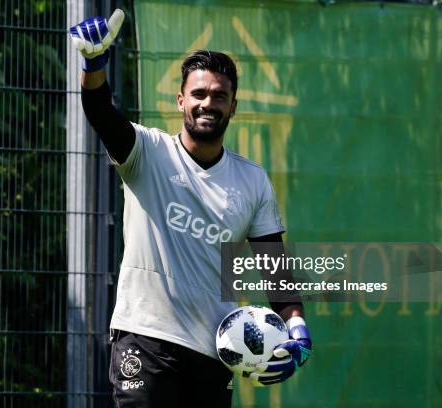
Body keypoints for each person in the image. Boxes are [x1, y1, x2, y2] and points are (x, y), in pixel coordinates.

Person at [70, 9, 312, 407]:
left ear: (233, 107)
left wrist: (297, 326)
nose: (208, 103)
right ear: (181, 100)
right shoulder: (146, 152)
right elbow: (101, 113)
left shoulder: (252, 181)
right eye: (199, 94)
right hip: (145, 339)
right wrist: (94, 66)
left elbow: (275, 270)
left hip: (216, 351)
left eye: (219, 95)